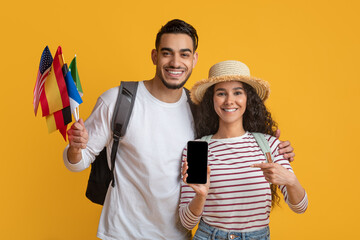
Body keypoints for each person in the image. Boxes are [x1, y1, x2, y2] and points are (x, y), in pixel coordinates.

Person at [63, 19, 295, 240]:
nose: (175, 62)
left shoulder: (198, 110)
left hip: (179, 233)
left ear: (194, 60)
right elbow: (78, 161)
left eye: (184, 54)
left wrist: (271, 147)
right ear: (155, 56)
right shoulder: (117, 100)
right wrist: (75, 148)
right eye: (167, 53)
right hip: (123, 233)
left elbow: (230, 139)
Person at [179, 60, 308, 240]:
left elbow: (300, 207)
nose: (229, 100)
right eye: (221, 93)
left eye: (237, 92)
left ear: (248, 98)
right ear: (212, 100)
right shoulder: (198, 149)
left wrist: (291, 180)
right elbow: (187, 223)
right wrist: (201, 196)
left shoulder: (270, 145)